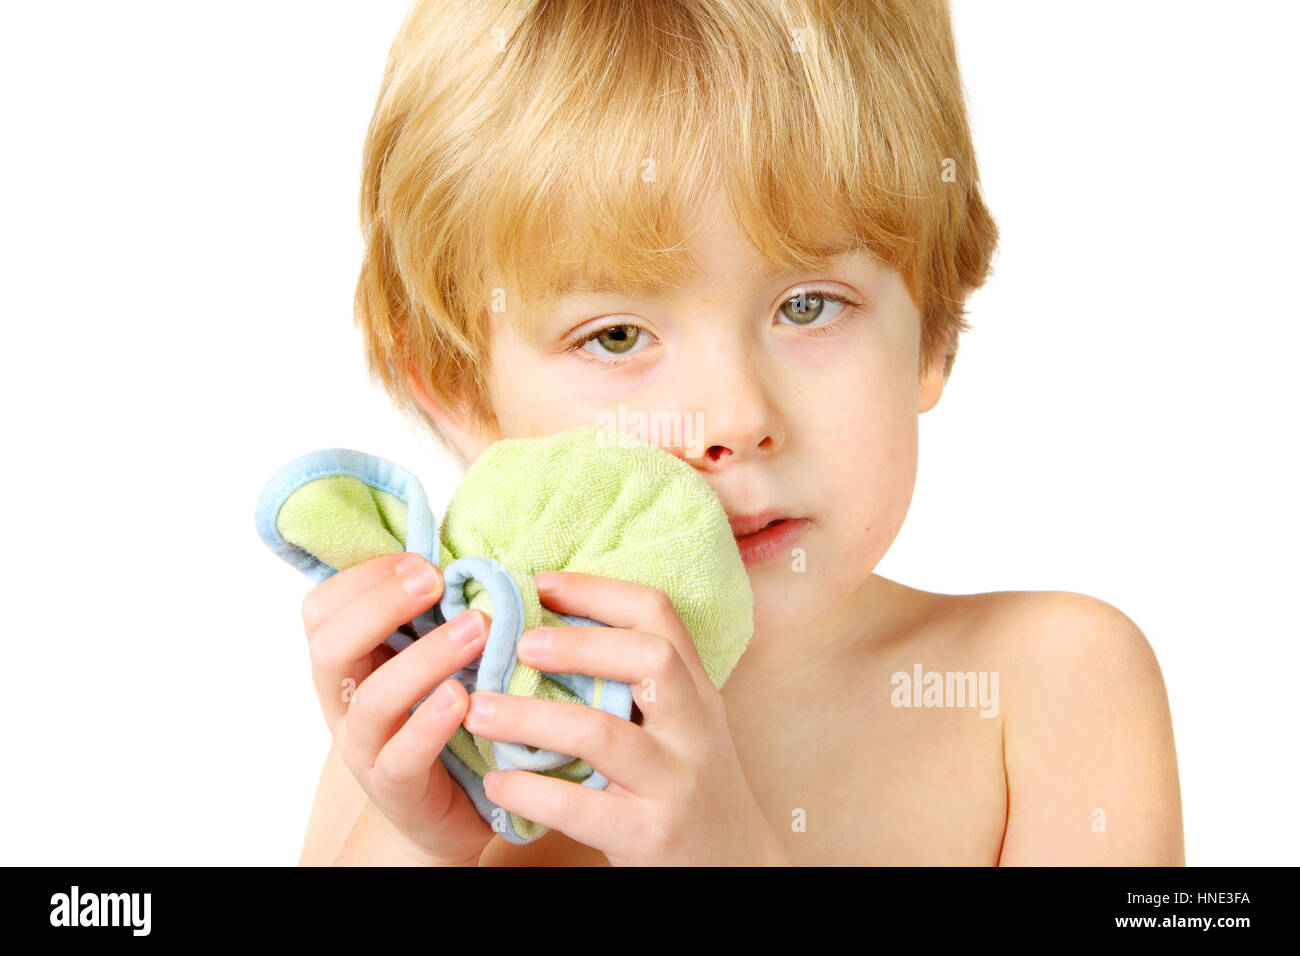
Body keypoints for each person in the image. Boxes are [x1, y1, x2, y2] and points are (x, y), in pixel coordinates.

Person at [295, 0, 1184, 866]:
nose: (732, 421)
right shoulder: (437, 728)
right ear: (463, 391)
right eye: (614, 335)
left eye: (808, 306)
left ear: (934, 330)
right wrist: (431, 843)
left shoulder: (1047, 691)